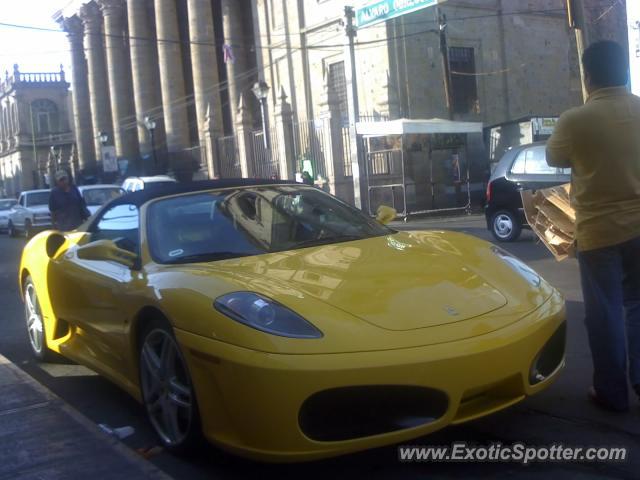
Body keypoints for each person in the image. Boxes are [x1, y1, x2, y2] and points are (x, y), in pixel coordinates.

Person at [546, 41, 640, 412]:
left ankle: (612, 393)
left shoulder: (576, 119)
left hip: (599, 234)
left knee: (605, 314)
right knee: (638, 306)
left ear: (588, 75)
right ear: (625, 70)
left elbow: (555, 157)